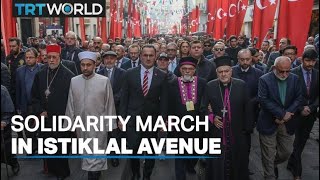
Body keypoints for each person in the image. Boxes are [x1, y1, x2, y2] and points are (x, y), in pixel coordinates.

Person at [65, 51, 117, 180]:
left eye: (88, 65)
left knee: (97, 153)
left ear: (95, 65)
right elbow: (70, 103)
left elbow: (109, 104)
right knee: (86, 153)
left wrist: (110, 124)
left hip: (98, 125)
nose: (85, 68)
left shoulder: (104, 81)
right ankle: (93, 174)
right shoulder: (74, 81)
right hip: (81, 124)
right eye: (83, 65)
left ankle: (93, 176)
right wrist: (70, 124)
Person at [119, 45, 168, 180]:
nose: (148, 58)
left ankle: (147, 175)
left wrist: (163, 120)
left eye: (151, 55)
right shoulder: (129, 73)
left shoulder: (162, 76)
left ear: (155, 56)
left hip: (152, 121)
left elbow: (164, 101)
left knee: (151, 151)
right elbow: (124, 98)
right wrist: (121, 118)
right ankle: (135, 173)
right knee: (133, 150)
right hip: (133, 120)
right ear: (140, 56)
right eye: (145, 55)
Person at [201, 56, 253, 180]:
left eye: (226, 71)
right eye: (220, 72)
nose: (223, 74)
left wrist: (247, 129)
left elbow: (248, 108)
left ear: (231, 71)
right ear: (216, 73)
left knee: (238, 162)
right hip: (217, 132)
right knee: (217, 164)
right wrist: (212, 118)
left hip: (237, 131)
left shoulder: (241, 85)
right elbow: (202, 108)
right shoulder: (210, 86)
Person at [31, 44, 75, 180]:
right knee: (47, 145)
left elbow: (72, 99)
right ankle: (52, 170)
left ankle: (63, 172)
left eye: (54, 57)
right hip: (45, 118)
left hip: (61, 118)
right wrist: (41, 110)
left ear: (59, 58)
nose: (51, 60)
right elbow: (34, 97)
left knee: (61, 146)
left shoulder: (69, 75)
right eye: (48, 57)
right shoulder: (40, 74)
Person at [257, 56, 303, 180]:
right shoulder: (264, 79)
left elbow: (299, 98)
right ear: (274, 68)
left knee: (286, 152)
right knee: (268, 155)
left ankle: (271, 164)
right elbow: (263, 99)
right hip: (268, 122)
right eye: (281, 71)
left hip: (287, 123)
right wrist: (281, 114)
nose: (284, 74)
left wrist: (287, 114)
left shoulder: (295, 79)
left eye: (288, 71)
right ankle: (269, 175)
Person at [168, 56, 207, 180]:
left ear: (194, 70)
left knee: (194, 152)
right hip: (179, 125)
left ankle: (191, 165)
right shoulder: (172, 84)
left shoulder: (202, 83)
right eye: (184, 69)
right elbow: (168, 104)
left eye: (190, 69)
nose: (187, 71)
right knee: (179, 154)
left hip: (198, 124)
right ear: (180, 70)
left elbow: (206, 103)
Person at [287, 49, 319, 180]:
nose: (311, 64)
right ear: (302, 59)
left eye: (313, 61)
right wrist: (301, 108)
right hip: (295, 113)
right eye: (308, 61)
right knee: (296, 143)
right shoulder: (293, 73)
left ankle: (291, 163)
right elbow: (290, 95)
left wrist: (311, 108)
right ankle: (297, 172)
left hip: (310, 114)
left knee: (301, 142)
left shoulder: (317, 74)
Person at [232, 49, 264, 175]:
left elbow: (261, 94)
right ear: (238, 59)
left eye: (247, 59)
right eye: (242, 59)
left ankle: (244, 167)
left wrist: (249, 103)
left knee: (246, 143)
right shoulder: (232, 71)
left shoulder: (259, 73)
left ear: (252, 59)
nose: (245, 62)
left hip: (250, 114)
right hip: (233, 112)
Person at [15, 48, 43, 140]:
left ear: (36, 58)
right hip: (26, 106)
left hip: (40, 106)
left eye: (31, 57)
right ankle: (31, 150)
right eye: (26, 57)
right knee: (29, 131)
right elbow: (18, 90)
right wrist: (18, 107)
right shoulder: (20, 71)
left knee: (41, 130)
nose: (28, 59)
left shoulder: (43, 68)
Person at [1, 85, 20, 175]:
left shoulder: (2, 90)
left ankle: (14, 163)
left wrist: (4, 121)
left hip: (2, 124)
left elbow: (8, 110)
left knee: (6, 148)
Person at [5, 37, 25, 103]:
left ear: (19, 46)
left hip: (22, 88)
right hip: (12, 89)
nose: (11, 48)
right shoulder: (8, 58)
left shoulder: (25, 57)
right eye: (10, 46)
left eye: (13, 46)